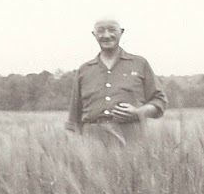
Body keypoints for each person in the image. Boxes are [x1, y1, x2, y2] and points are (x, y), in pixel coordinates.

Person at [66, 17, 167, 146]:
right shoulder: (84, 70)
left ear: (121, 32)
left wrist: (138, 113)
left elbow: (159, 101)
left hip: (133, 139)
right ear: (94, 34)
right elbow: (73, 118)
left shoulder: (140, 63)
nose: (106, 35)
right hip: (92, 142)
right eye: (101, 31)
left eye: (112, 30)